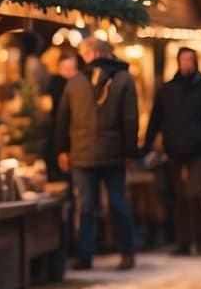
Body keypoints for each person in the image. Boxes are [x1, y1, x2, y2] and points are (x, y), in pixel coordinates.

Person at [55, 37, 139, 271]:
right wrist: (130, 153)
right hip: (114, 153)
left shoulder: (75, 81)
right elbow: (130, 119)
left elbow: (62, 118)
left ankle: (85, 255)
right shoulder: (124, 79)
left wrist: (62, 149)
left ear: (92, 54)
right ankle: (127, 251)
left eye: (83, 54)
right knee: (117, 202)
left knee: (87, 206)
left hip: (81, 153)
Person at [142, 47, 201, 256]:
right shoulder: (168, 90)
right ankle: (183, 241)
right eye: (183, 60)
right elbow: (156, 119)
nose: (187, 64)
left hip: (198, 150)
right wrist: (147, 146)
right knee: (179, 197)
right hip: (174, 149)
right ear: (178, 62)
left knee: (196, 193)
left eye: (190, 60)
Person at [44, 52, 81, 182]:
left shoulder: (81, 86)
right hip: (58, 132)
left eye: (72, 69)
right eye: (65, 69)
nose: (69, 72)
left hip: (76, 135)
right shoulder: (55, 84)